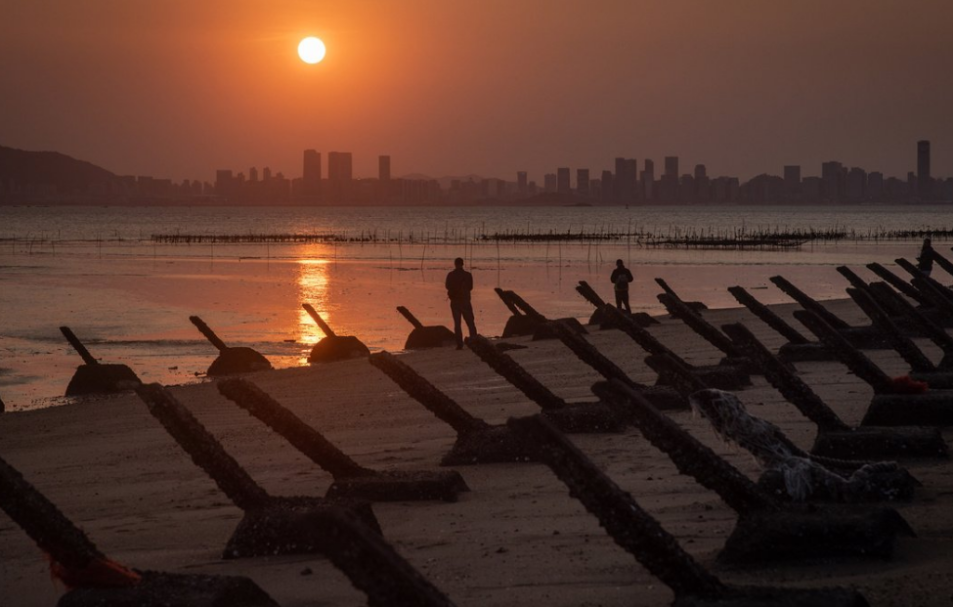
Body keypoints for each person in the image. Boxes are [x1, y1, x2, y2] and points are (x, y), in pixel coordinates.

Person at [445, 257, 478, 349]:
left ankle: (459, 344)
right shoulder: (468, 275)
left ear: (455, 264)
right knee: (470, 322)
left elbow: (447, 286)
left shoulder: (450, 275)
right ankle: (474, 341)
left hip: (455, 302)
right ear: (462, 264)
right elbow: (470, 287)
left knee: (457, 324)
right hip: (465, 301)